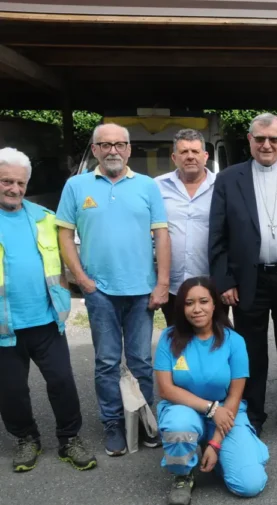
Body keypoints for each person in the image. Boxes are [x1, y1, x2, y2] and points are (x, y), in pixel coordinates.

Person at [57, 123, 169, 456]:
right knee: (106, 362)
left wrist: (162, 282)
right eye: (105, 145)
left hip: (141, 291)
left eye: (119, 144)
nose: (113, 151)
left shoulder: (147, 186)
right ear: (94, 150)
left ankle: (146, 421)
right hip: (100, 291)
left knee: (141, 361)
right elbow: (64, 233)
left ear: (129, 149)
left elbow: (162, 234)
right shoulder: (76, 186)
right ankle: (113, 425)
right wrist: (81, 277)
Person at [208, 113, 277, 443]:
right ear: (250, 140)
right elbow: (218, 236)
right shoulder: (228, 179)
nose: (266, 145)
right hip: (247, 281)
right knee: (251, 352)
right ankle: (253, 414)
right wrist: (224, 281)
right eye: (260, 139)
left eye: (273, 139)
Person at [0, 148, 96, 473]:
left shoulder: (44, 217)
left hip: (46, 320)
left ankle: (70, 438)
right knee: (11, 391)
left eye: (20, 183)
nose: (14, 189)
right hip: (4, 328)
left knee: (62, 382)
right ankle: (26, 438)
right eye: (6, 181)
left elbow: (76, 245)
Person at [155, 277, 268, 505]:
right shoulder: (168, 338)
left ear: (215, 305)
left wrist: (216, 444)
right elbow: (166, 389)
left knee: (250, 485)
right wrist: (210, 408)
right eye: (189, 303)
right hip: (184, 410)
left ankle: (216, 448)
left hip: (226, 412)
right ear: (181, 308)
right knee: (179, 425)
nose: (197, 309)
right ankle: (183, 475)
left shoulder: (234, 341)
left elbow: (235, 397)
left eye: (204, 301)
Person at [155, 129, 216, 325]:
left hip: (211, 283)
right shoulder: (157, 187)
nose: (190, 156)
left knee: (211, 341)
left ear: (205, 156)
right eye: (183, 152)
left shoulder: (222, 186)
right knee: (177, 339)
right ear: (174, 157)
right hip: (172, 286)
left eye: (195, 151)